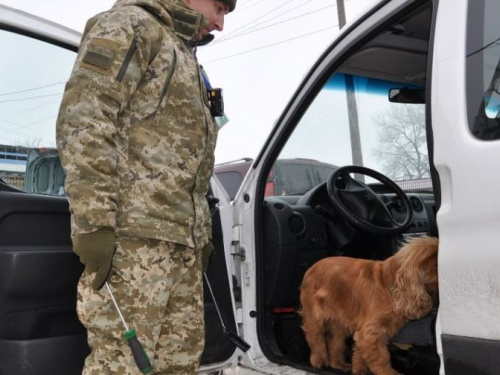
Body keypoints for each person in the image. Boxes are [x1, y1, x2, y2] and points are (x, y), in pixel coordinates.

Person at [56, 0, 235, 373]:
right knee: (121, 366)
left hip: (180, 245)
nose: (219, 23)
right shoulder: (131, 25)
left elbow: (188, 160)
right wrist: (95, 223)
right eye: (220, 7)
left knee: (179, 364)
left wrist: (199, 234)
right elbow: (86, 117)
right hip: (134, 241)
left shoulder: (183, 54)